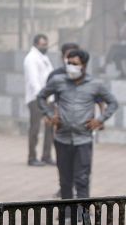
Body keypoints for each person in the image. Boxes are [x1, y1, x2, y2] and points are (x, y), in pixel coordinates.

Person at [36, 49, 119, 199]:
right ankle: (67, 215)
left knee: (82, 179)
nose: (70, 67)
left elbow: (113, 102)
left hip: (83, 139)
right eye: (68, 63)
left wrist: (100, 120)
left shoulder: (95, 84)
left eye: (75, 64)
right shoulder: (58, 81)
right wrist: (50, 115)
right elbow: (41, 97)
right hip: (62, 138)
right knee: (65, 181)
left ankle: (83, 216)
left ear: (84, 65)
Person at [23, 34, 54, 167]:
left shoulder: (44, 58)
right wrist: (42, 98)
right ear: (36, 44)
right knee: (35, 128)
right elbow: (33, 81)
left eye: (46, 44)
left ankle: (46, 156)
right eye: (42, 44)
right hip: (36, 98)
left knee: (50, 127)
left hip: (49, 98)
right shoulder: (31, 59)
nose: (45, 47)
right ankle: (32, 157)